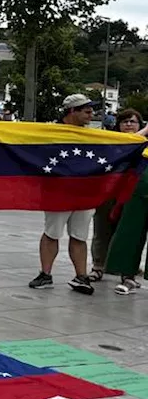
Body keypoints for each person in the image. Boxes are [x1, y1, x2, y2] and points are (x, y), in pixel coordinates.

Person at [27, 93, 98, 294]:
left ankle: (81, 276)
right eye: (86, 110)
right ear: (71, 111)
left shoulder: (93, 135)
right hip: (57, 190)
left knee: (80, 235)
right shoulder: (51, 132)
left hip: (84, 192)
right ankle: (45, 274)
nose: (91, 114)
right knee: (52, 232)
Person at [92, 108, 146, 287]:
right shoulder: (112, 141)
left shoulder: (144, 143)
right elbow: (128, 143)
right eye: (125, 122)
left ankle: (127, 271)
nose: (129, 125)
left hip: (133, 194)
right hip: (109, 192)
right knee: (102, 229)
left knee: (129, 232)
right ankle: (98, 266)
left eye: (133, 122)